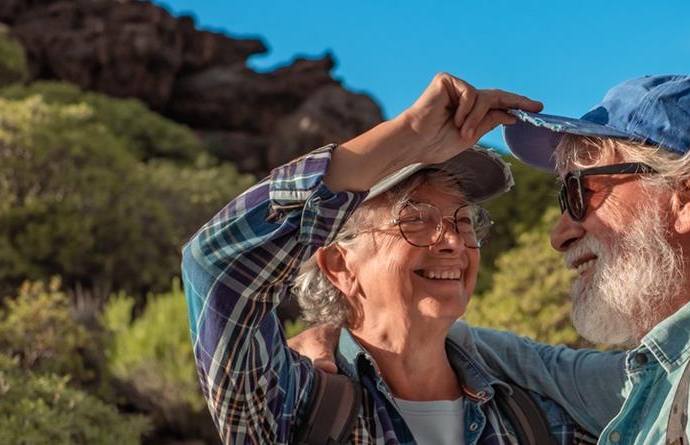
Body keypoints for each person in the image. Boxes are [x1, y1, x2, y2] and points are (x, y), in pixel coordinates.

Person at [293, 74, 690, 444]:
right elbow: (541, 366)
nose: (561, 232)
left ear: (686, 197)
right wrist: (363, 327)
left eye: (580, 191)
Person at [180, 72, 615, 444]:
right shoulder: (294, 404)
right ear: (338, 265)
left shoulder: (533, 418)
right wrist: (407, 134)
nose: (452, 241)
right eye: (417, 220)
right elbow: (217, 268)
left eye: (465, 221)